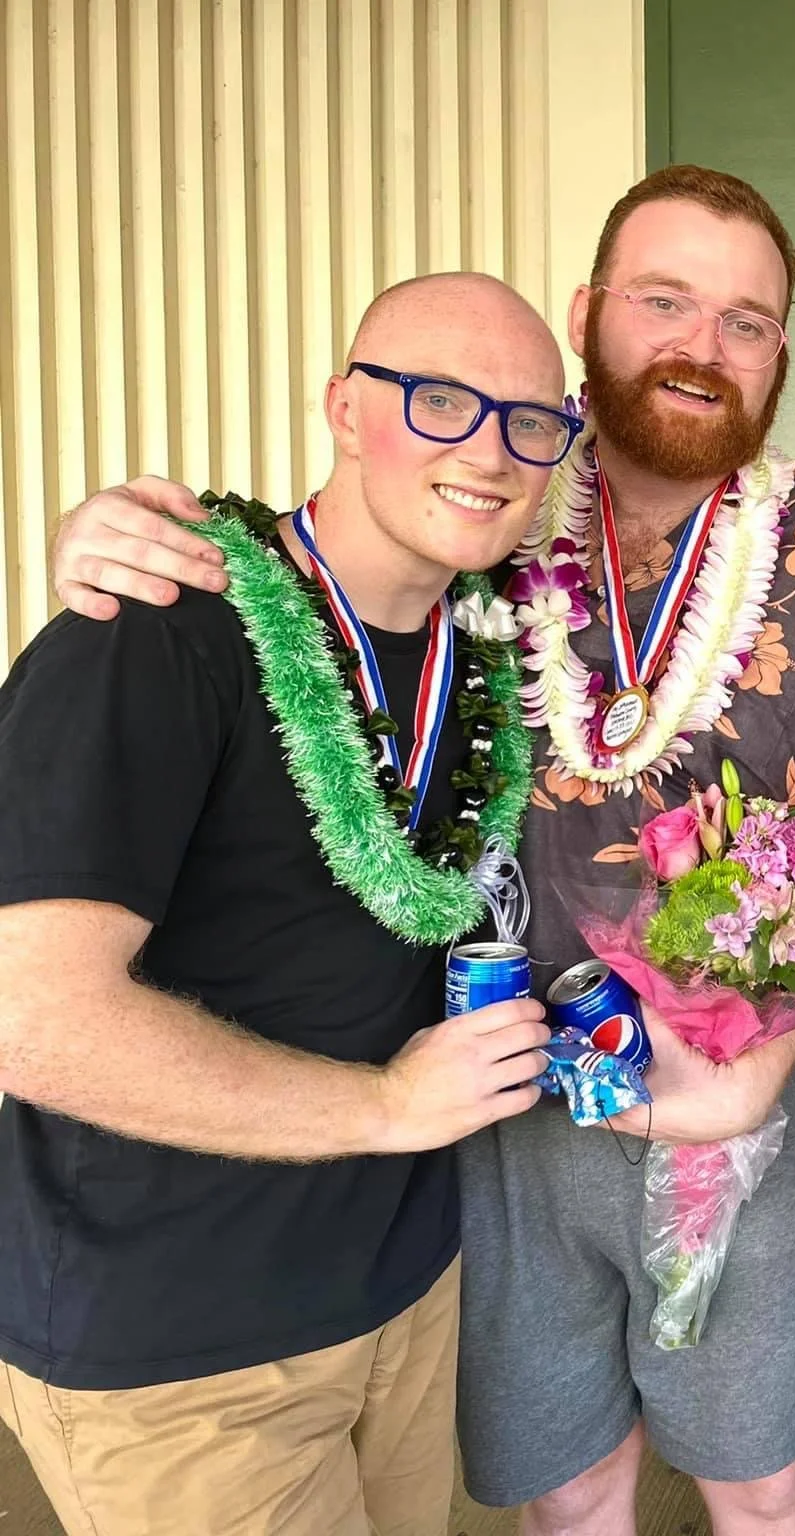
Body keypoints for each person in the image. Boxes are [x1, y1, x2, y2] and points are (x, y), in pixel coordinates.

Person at [41, 165, 795, 1536]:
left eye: (747, 321)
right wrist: (122, 536)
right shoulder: (491, 512)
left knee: (760, 1484)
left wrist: (743, 1078)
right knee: (565, 1491)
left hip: (734, 1111)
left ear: (782, 357)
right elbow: (321, 571)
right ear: (590, 315)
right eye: (665, 299)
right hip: (498, 1106)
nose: (703, 344)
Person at [0, 274, 567, 1534]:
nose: (488, 450)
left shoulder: (494, 647)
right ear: (342, 408)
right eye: (438, 401)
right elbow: (30, 1017)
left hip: (401, 1297)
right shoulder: (155, 628)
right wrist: (381, 1107)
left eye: (532, 421)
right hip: (183, 1342)